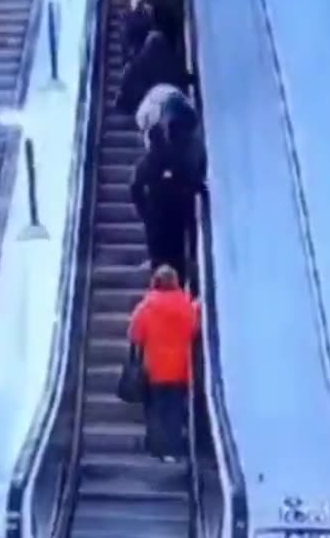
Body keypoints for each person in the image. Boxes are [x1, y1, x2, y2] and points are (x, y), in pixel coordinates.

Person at [129, 91, 205, 282]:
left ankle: (162, 291)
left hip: (156, 221)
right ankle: (180, 292)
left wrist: (145, 212)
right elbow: (190, 179)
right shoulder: (175, 157)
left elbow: (135, 188)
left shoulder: (145, 164)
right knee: (177, 259)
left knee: (159, 259)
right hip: (176, 219)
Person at [129, 264, 201, 462]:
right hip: (180, 368)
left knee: (156, 409)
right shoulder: (186, 304)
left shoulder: (147, 305)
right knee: (174, 410)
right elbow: (194, 329)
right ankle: (172, 448)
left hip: (154, 368)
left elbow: (134, 333)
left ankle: (156, 446)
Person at [113, 29, 188, 118]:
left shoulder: (140, 102)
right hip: (159, 61)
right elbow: (134, 64)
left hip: (167, 78)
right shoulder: (128, 79)